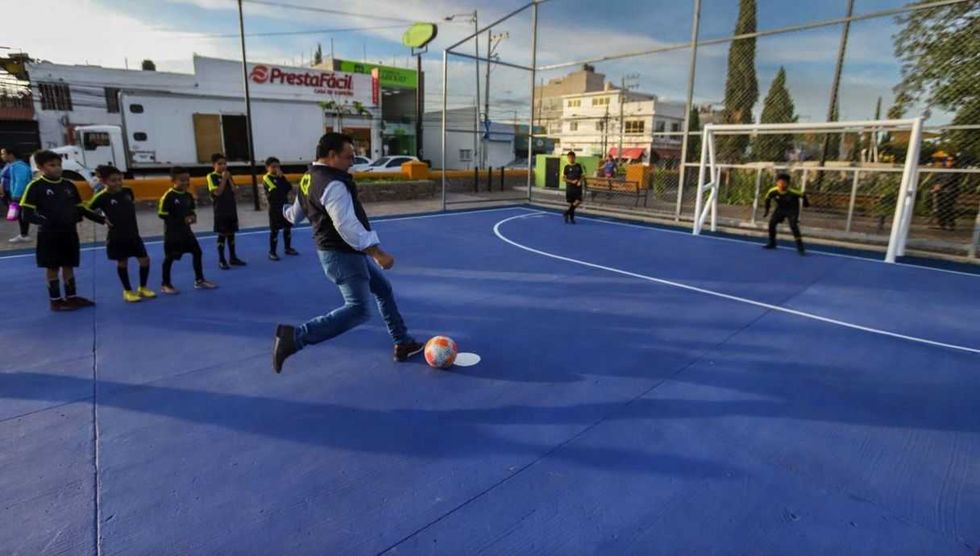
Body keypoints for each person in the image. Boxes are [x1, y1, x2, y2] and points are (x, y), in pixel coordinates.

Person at [272, 132, 424, 373]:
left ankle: (402, 342)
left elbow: (296, 213)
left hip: (340, 253)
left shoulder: (310, 177)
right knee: (358, 309)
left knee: (383, 289)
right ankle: (296, 337)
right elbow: (346, 225)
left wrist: (284, 211)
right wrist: (377, 253)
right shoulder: (333, 183)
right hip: (342, 255)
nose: (352, 162)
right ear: (331, 156)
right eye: (348, 157)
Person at [20, 150, 106, 311]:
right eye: (52, 165)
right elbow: (27, 214)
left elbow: (80, 208)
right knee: (52, 267)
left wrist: (101, 219)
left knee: (69, 265)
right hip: (49, 235)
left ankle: (71, 298)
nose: (57, 168)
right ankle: (55, 300)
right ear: (40, 167)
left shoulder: (69, 185)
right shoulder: (35, 186)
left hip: (69, 232)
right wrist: (47, 222)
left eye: (59, 165)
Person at [86, 165, 156, 303]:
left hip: (133, 234)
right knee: (123, 262)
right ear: (104, 181)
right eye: (113, 180)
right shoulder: (101, 197)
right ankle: (128, 291)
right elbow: (87, 210)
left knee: (145, 260)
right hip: (117, 236)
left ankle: (142, 287)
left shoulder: (128, 191)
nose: (118, 183)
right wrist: (102, 219)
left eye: (119, 179)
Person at [158, 167, 217, 294]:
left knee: (197, 252)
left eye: (187, 180)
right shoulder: (168, 196)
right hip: (173, 234)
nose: (185, 183)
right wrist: (179, 220)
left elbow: (190, 210)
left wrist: (192, 217)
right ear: (173, 180)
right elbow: (162, 214)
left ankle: (199, 280)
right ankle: (165, 284)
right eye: (182, 180)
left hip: (186, 232)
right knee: (170, 258)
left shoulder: (188, 196)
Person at [206, 153, 245, 269]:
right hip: (220, 209)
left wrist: (229, 180)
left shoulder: (228, 175)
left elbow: (235, 191)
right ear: (214, 165)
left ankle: (233, 257)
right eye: (220, 164)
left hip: (231, 208)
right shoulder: (211, 176)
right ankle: (221, 259)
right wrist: (223, 178)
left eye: (224, 163)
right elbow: (217, 192)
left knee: (231, 233)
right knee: (222, 234)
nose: (223, 166)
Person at [762, 173, 809, 255]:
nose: (781, 184)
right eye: (779, 182)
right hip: (780, 209)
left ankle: (800, 248)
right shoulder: (772, 191)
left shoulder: (793, 192)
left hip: (792, 210)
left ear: (788, 184)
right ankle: (772, 243)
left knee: (793, 226)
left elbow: (803, 195)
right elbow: (767, 200)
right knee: (771, 224)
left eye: (784, 182)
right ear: (776, 183)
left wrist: (806, 204)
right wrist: (766, 211)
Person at [262, 157, 299, 261]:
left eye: (278, 166)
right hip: (274, 207)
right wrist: (281, 184)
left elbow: (288, 187)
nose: (276, 169)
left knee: (287, 227)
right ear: (267, 168)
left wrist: (282, 178)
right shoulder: (267, 178)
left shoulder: (281, 177)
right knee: (275, 230)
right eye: (273, 167)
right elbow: (275, 191)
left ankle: (288, 248)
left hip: (284, 205)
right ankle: (272, 251)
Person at [3, 148, 35, 243]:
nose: (2, 156)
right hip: (15, 194)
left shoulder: (19, 167)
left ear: (11, 154)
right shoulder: (12, 165)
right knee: (20, 215)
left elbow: (20, 181)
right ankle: (23, 234)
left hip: (20, 195)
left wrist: (16, 196)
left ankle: (24, 235)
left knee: (22, 214)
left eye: (4, 154)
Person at [932, 155, 961, 231]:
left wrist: (940, 186)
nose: (949, 162)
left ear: (955, 161)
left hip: (950, 191)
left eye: (951, 160)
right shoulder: (942, 169)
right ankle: (941, 224)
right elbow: (936, 178)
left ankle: (950, 225)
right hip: (941, 192)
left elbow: (951, 180)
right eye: (947, 160)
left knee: (949, 208)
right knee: (940, 208)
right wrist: (936, 185)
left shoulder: (955, 170)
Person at [563, 151, 584, 224]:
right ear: (568, 158)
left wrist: (580, 181)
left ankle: (567, 213)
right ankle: (571, 218)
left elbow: (582, 176)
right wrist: (571, 182)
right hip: (570, 188)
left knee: (579, 200)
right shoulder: (566, 167)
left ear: (575, 158)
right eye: (569, 157)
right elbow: (563, 179)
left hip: (578, 187)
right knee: (571, 204)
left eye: (572, 157)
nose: (571, 159)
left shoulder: (578, 165)